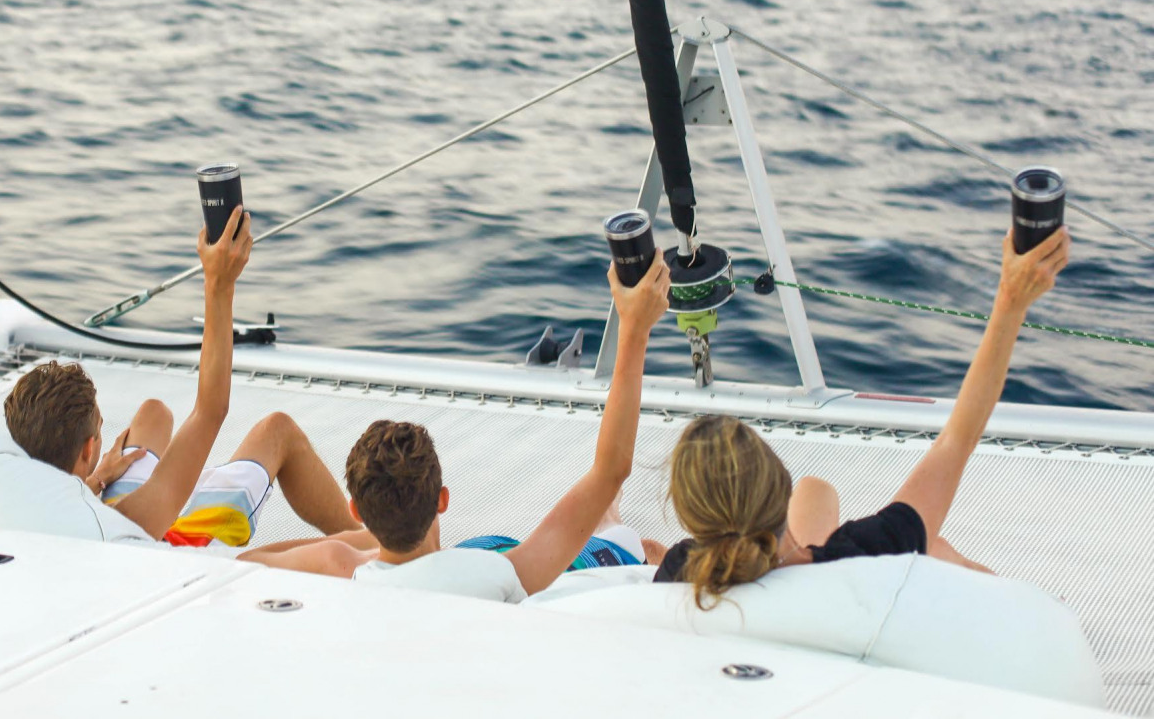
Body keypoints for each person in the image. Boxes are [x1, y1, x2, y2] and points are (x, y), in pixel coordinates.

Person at [0, 206, 372, 576]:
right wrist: (219, 283)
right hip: (177, 544)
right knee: (277, 430)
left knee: (154, 413)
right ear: (88, 448)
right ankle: (372, 537)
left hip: (84, 490)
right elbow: (211, 408)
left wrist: (94, 481)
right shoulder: (127, 525)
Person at [654, 227, 1070, 607]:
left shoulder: (676, 576)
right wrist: (1012, 299)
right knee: (934, 547)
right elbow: (956, 440)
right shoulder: (861, 557)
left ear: (691, 520)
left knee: (817, 492)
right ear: (780, 492)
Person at [344, 252, 672, 601]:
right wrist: (635, 328)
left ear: (357, 512)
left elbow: (610, 474)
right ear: (442, 500)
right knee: (642, 546)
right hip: (512, 559)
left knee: (602, 514)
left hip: (477, 550)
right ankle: (613, 522)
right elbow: (610, 471)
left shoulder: (353, 582)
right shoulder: (492, 578)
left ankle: (609, 517)